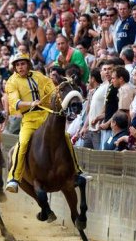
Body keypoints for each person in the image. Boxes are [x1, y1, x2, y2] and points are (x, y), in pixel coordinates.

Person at [5, 53, 86, 193]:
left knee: (66, 137)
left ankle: (76, 171)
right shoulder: (11, 82)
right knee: (22, 143)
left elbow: (53, 91)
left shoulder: (39, 76)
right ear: (14, 67)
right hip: (29, 119)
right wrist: (31, 103)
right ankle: (14, 178)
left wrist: (62, 83)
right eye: (17, 65)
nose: (20, 67)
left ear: (28, 64)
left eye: (22, 64)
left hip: (45, 116)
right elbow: (15, 102)